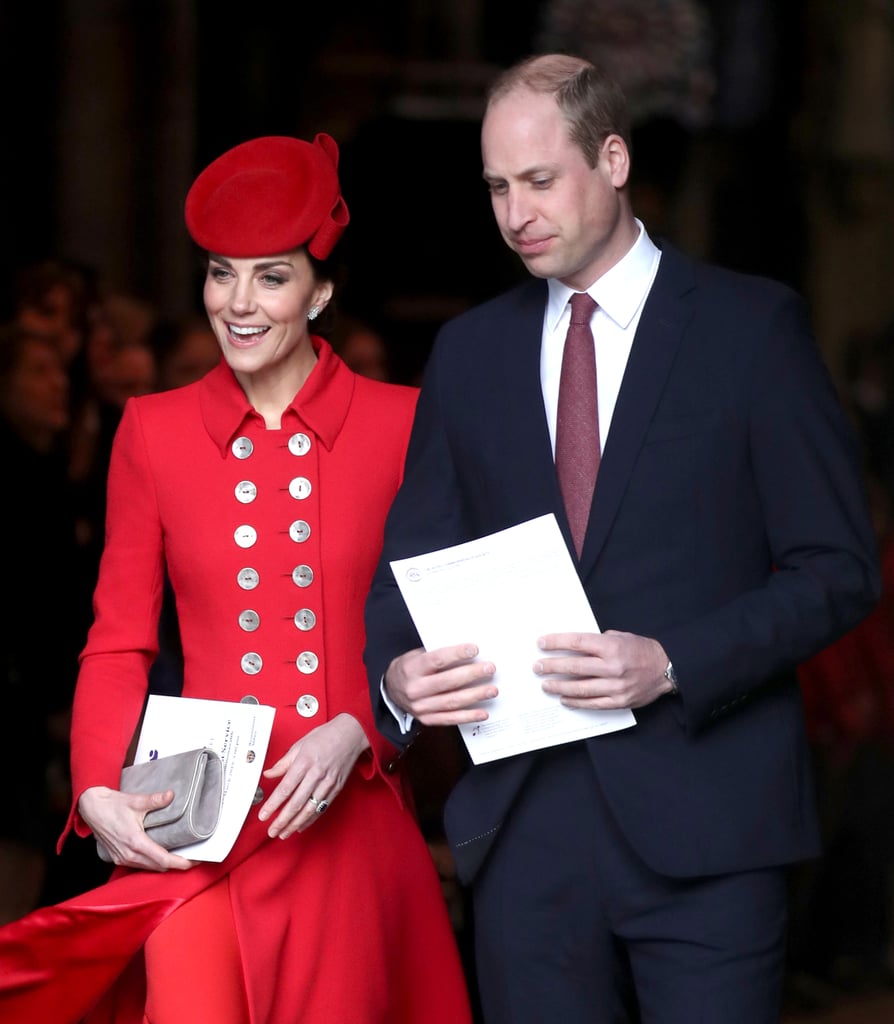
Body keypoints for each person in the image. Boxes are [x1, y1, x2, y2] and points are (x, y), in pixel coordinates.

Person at [363, 54, 881, 1024]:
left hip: (714, 825)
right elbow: (409, 565)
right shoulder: (470, 352)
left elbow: (840, 569)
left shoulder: (753, 329)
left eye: (539, 180)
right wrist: (397, 679)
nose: (516, 212)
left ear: (612, 157)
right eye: (497, 187)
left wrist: (675, 660)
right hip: (526, 837)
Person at [0, 133, 472, 1024]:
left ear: (321, 290)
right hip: (195, 829)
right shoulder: (152, 431)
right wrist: (98, 787)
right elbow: (119, 638)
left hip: (349, 820)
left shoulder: (404, 426)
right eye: (222, 274)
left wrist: (366, 729)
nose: (239, 304)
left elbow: (444, 625)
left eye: (271, 276)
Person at [0, 327, 82, 924]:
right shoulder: (17, 480)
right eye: (37, 372)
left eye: (59, 370)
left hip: (35, 713)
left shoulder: (50, 473)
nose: (57, 384)